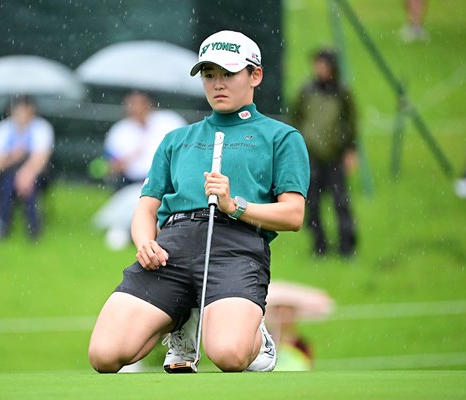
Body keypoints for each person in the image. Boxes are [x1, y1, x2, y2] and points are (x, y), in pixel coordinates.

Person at [88, 30, 310, 373]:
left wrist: (234, 205)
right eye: (209, 75)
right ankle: (181, 318)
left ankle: (256, 335)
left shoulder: (281, 137)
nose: (217, 84)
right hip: (171, 249)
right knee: (104, 355)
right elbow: (146, 207)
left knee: (229, 355)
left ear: (256, 75)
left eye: (228, 74)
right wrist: (145, 242)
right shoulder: (177, 139)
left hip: (236, 248)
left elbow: (293, 214)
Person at [93, 91, 187, 250]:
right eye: (131, 104)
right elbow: (110, 166)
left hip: (169, 178)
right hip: (133, 180)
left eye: (139, 104)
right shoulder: (121, 130)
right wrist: (130, 157)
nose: (135, 108)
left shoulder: (169, 121)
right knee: (136, 202)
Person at [292, 49, 358, 258]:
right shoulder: (306, 91)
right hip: (310, 157)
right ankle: (319, 246)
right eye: (317, 64)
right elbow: (295, 118)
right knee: (312, 203)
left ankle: (347, 247)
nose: (319, 69)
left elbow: (351, 123)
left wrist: (350, 150)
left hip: (334, 156)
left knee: (341, 202)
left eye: (323, 65)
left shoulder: (342, 93)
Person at [0, 95, 54, 239]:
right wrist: (14, 157)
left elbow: (41, 159)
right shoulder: (2, 130)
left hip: (36, 175)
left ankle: (29, 227)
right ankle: (5, 226)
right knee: (8, 183)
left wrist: (26, 174)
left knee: (28, 184)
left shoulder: (41, 128)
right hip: (7, 173)